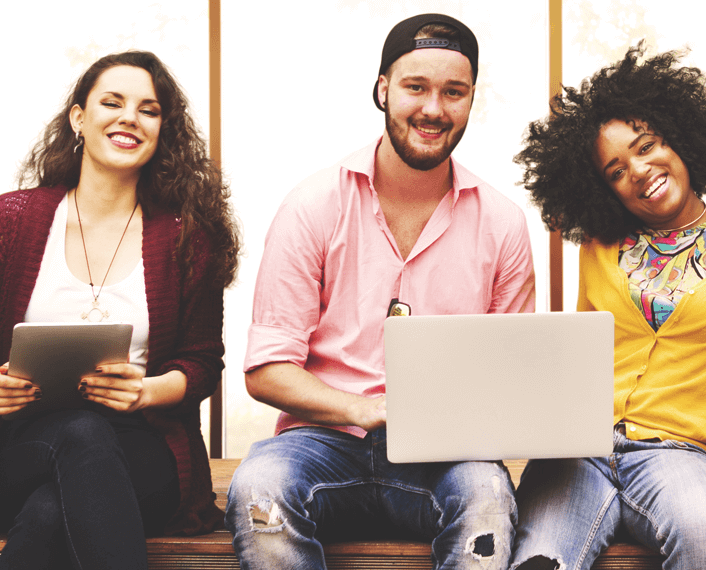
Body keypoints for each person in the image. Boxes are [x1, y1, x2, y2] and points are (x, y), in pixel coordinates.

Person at [227, 13, 531, 570]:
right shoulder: (313, 205)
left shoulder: (504, 224)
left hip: (445, 456)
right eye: (416, 87)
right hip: (320, 442)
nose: (434, 109)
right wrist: (361, 409)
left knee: (488, 498)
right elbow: (266, 368)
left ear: (469, 101)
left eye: (453, 92)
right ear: (383, 89)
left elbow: (506, 381)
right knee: (258, 489)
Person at [0, 51, 237, 569]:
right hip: (26, 447)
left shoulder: (186, 236)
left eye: (148, 109)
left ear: (161, 130)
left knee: (49, 510)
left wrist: (147, 391)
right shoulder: (14, 218)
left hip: (146, 449)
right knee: (76, 440)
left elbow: (201, 361)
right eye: (112, 102)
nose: (130, 117)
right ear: (79, 118)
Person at [509, 45, 706, 570]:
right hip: (579, 451)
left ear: (679, 137)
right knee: (539, 561)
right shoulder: (600, 245)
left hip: (677, 454)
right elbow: (578, 363)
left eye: (646, 145)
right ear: (603, 190)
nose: (638, 169)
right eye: (614, 170)